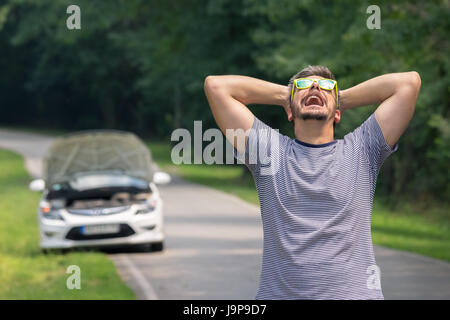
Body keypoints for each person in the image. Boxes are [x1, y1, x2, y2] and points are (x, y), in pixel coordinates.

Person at [203, 65, 421, 299]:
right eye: (304, 86)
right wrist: (287, 95)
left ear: (337, 113)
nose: (315, 87)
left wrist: (340, 98)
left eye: (326, 87)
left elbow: (408, 83)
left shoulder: (363, 149)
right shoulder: (268, 152)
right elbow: (216, 87)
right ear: (290, 112)